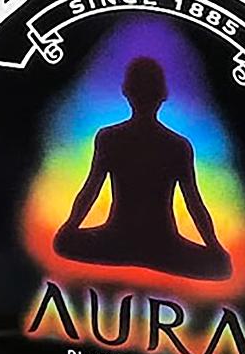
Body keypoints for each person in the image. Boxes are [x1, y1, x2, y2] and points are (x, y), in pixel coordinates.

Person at [54, 57, 232, 280]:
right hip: (138, 242)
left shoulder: (168, 145)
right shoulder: (171, 145)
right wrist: (214, 247)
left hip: (148, 242)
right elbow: (91, 190)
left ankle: (136, 257)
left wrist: (70, 227)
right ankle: (145, 258)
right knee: (220, 266)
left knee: (65, 242)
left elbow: (193, 203)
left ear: (127, 91)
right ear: (163, 95)